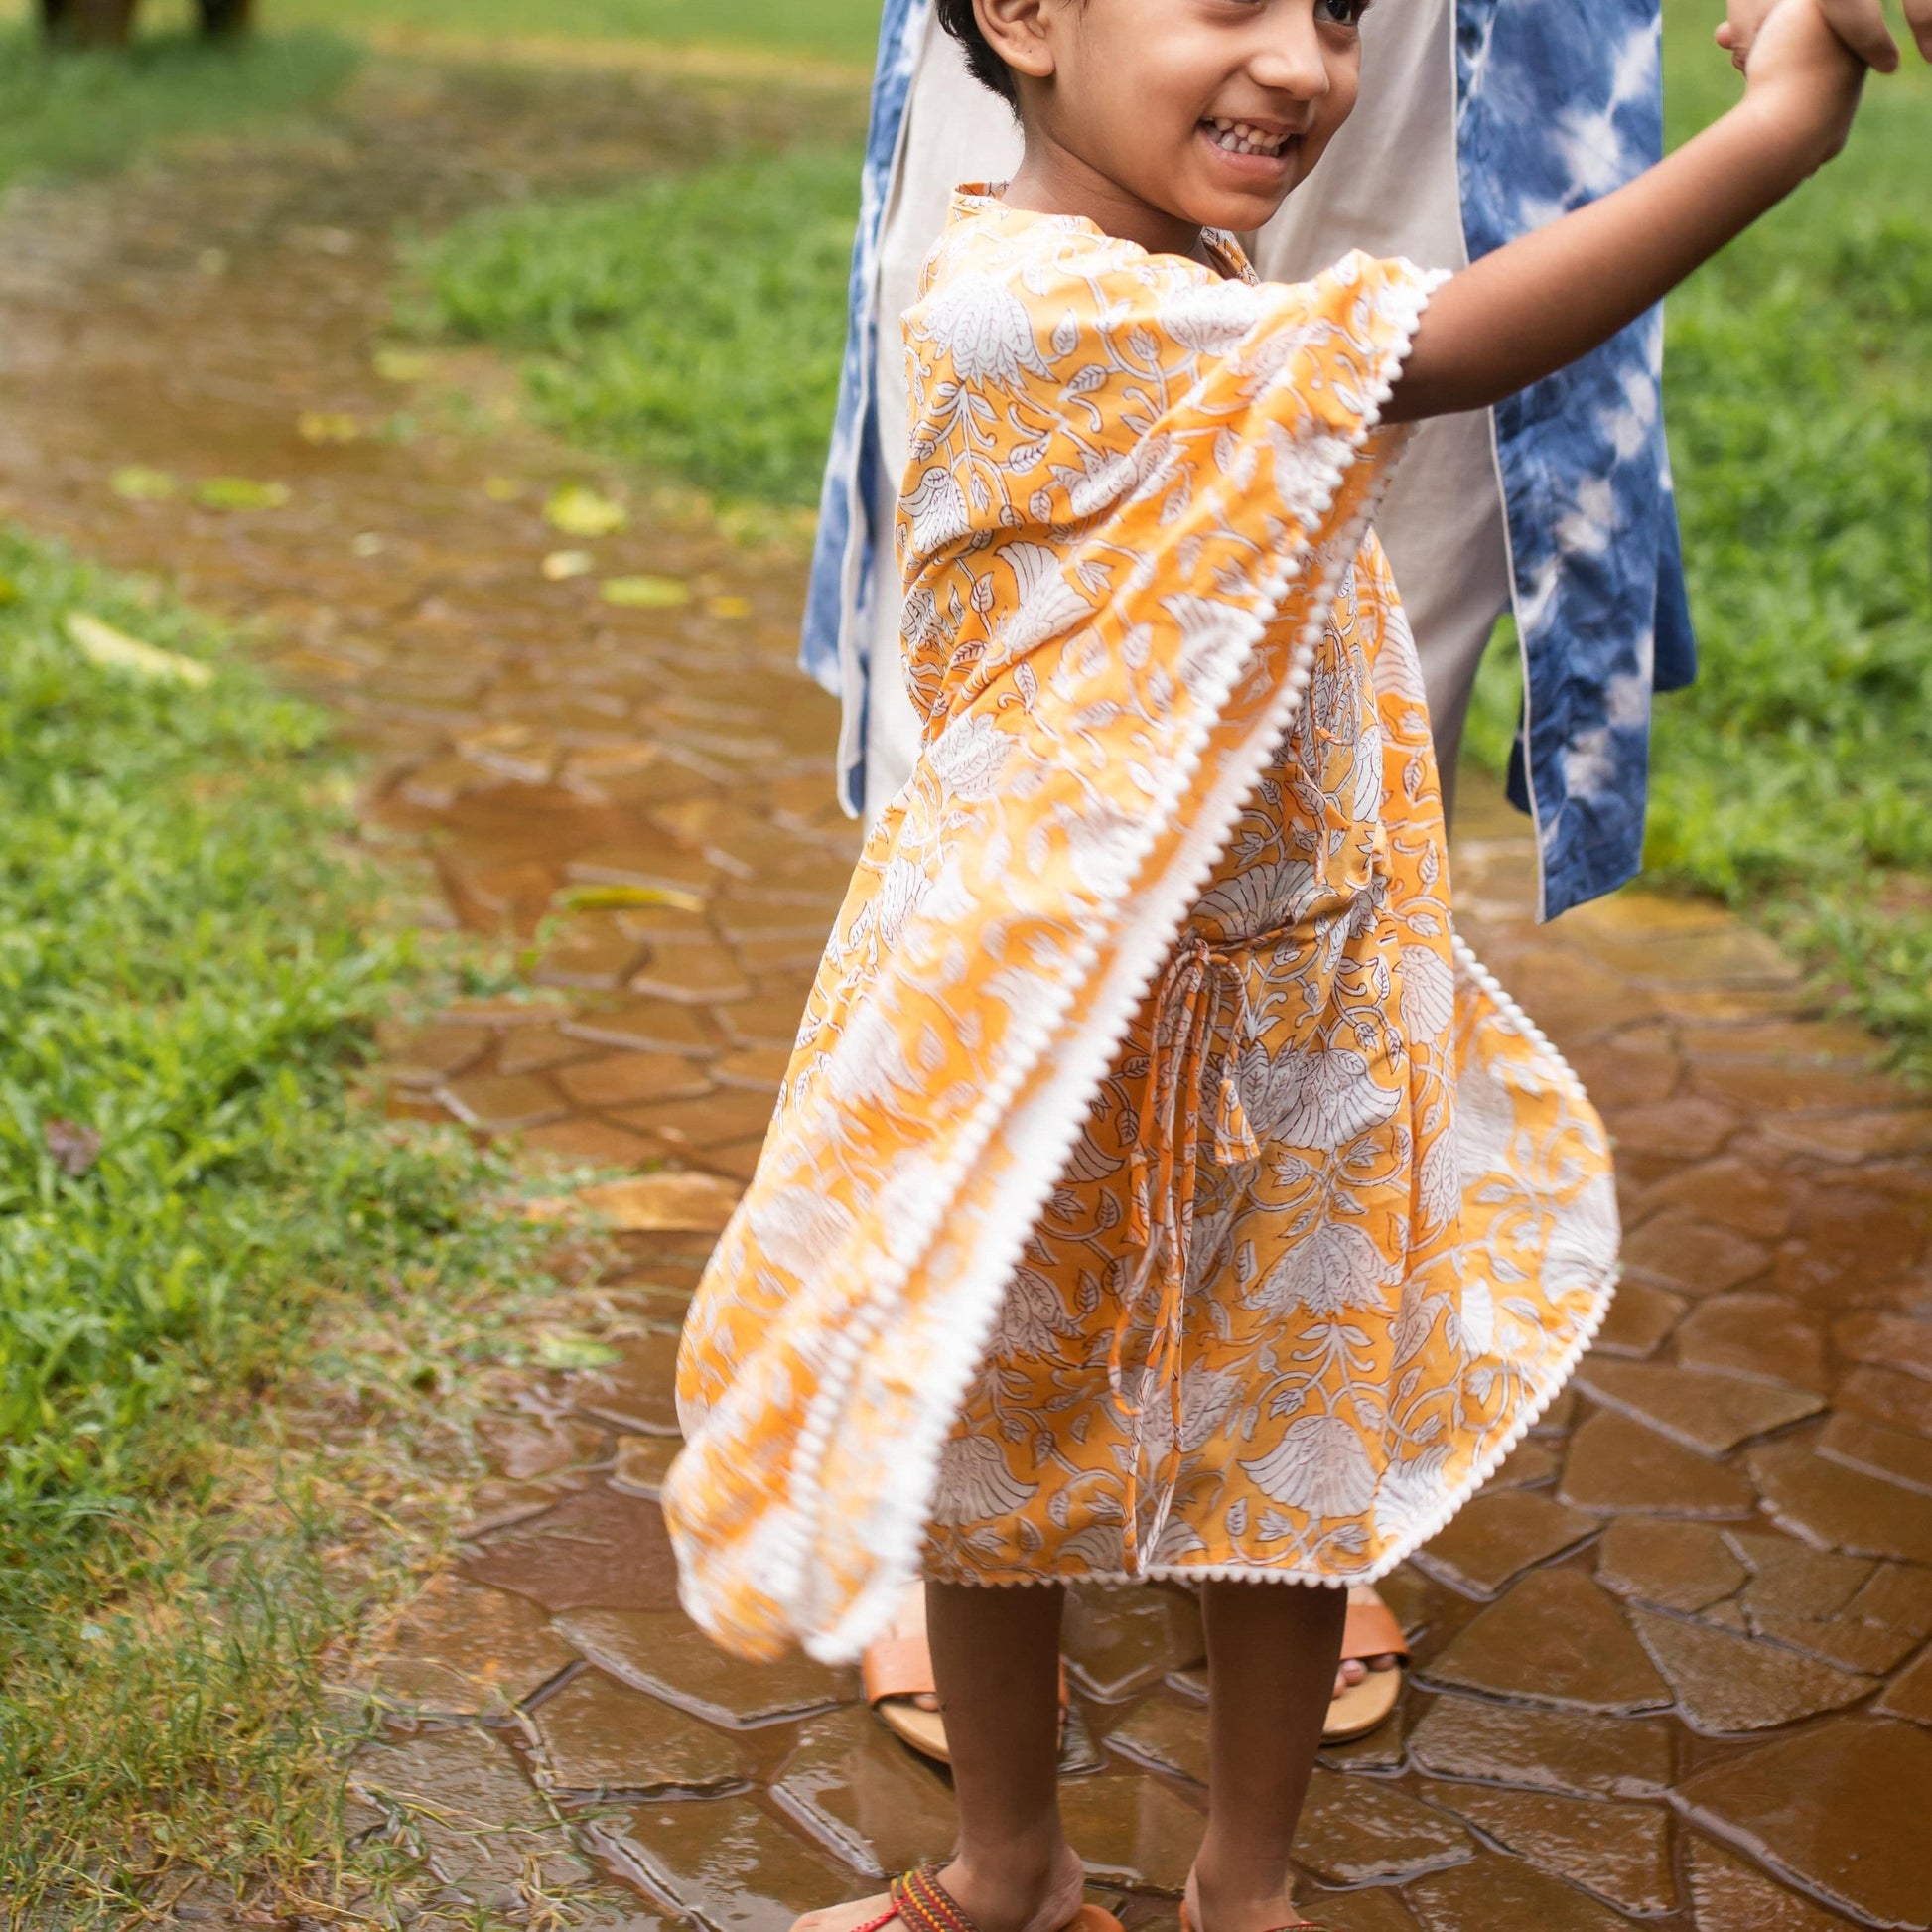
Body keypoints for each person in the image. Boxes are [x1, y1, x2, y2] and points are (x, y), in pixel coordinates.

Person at [665, 3, 1871, 1931]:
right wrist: (1783, 125)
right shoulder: (1031, 305)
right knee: (996, 1455)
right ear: (1028, 19)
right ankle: (1011, 1870)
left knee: (1286, 1463)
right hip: (1063, 1022)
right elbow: (1461, 343)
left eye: (1329, 9)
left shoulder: (1183, 265)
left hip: (1278, 997)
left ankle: (1241, 1886)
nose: (1308, 65)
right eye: (1231, 1)